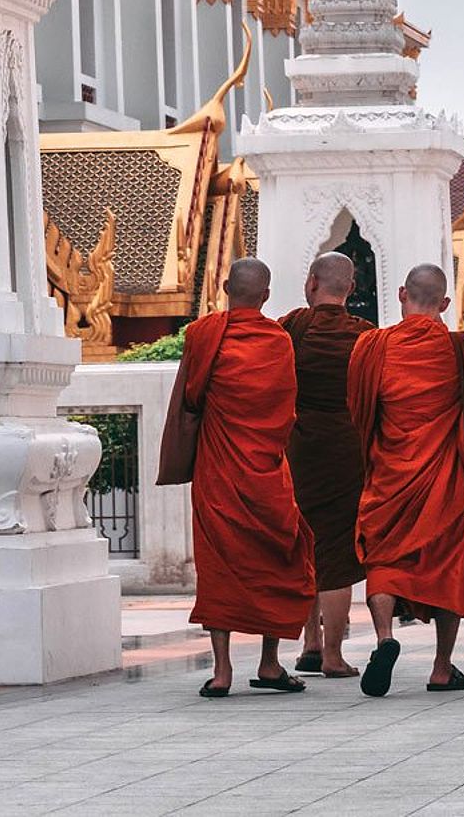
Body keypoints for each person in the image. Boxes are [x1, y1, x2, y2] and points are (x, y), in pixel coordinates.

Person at [347, 263, 464, 698]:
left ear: (400, 295)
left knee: (383, 558)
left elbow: (358, 408)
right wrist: (454, 422)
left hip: (389, 475)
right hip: (441, 478)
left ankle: (384, 639)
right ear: (444, 304)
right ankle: (441, 667)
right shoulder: (454, 349)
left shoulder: (373, 346)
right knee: (447, 565)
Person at [184, 257, 316, 697]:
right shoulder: (277, 341)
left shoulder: (203, 336)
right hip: (265, 473)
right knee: (276, 559)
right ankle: (269, 662)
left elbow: (191, 395)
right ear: (265, 295)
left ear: (224, 287)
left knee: (219, 567)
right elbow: (286, 411)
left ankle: (222, 672)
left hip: (218, 472)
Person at [279, 252, 374, 677]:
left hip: (298, 451)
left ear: (311, 282)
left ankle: (310, 645)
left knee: (304, 546)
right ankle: (333, 654)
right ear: (351, 290)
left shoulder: (291, 329)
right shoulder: (367, 338)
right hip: (346, 453)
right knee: (335, 553)